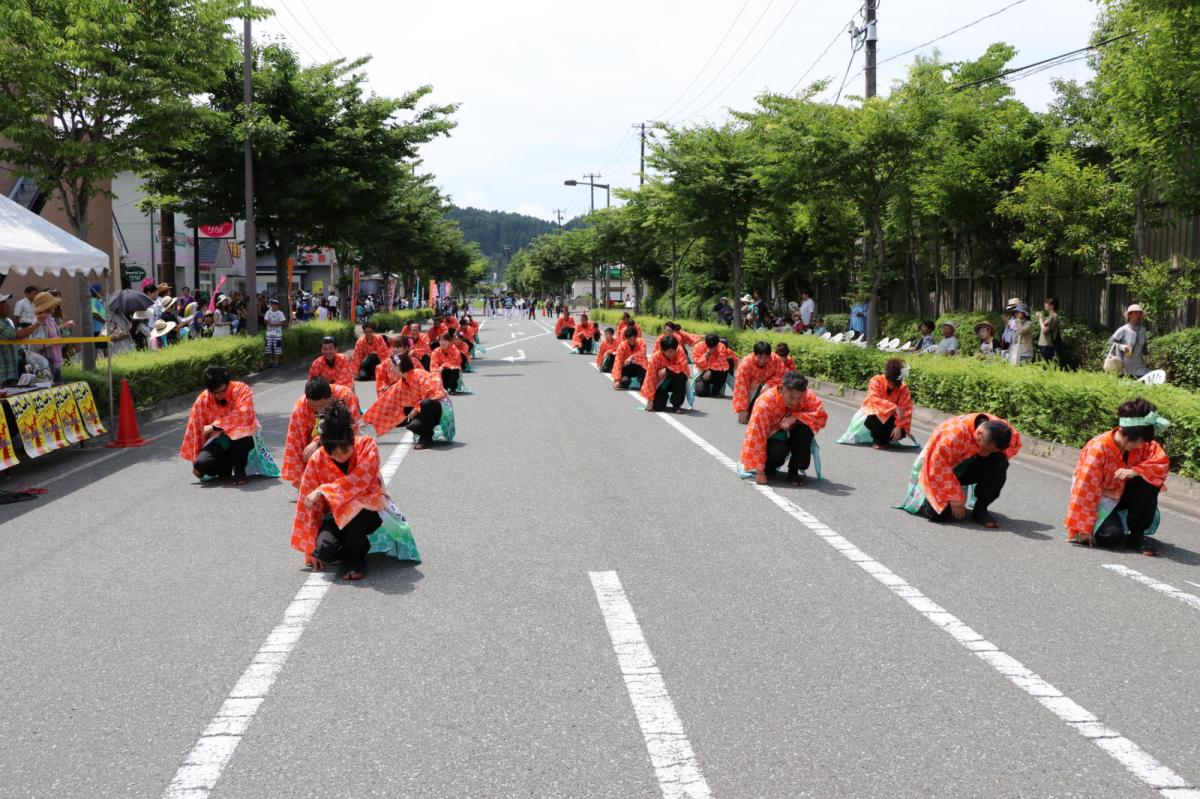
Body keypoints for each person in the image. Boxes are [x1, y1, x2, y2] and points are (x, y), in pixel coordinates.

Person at [290, 402, 385, 580]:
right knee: (324, 551)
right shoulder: (318, 459)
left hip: (366, 512)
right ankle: (349, 548)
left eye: (345, 449)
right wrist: (310, 550)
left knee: (354, 508)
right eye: (333, 451)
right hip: (334, 515)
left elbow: (359, 482)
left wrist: (323, 490)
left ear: (352, 439)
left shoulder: (367, 446)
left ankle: (357, 559)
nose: (340, 454)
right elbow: (308, 505)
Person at [1065, 398, 1169, 555]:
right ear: (1122, 431)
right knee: (1111, 536)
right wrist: (1084, 528)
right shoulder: (1098, 448)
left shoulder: (1143, 444)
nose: (1140, 445)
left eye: (1143, 441)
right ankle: (1103, 528)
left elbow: (1161, 462)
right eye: (1137, 441)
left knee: (1148, 481)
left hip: (1123, 493)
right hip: (1099, 497)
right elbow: (1085, 490)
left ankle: (1137, 536)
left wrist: (1136, 471)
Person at [899, 412, 1021, 529]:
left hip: (968, 465)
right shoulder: (951, 435)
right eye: (985, 448)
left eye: (990, 450)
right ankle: (931, 499)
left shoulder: (1003, 430)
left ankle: (980, 509)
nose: (986, 453)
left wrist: (983, 452)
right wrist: (955, 495)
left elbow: (1015, 445)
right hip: (941, 471)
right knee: (939, 515)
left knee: (999, 462)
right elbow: (936, 467)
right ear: (979, 434)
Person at [739, 372, 827, 486]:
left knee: (805, 432)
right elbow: (756, 436)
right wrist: (759, 472)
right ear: (781, 388)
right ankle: (769, 467)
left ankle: (794, 469)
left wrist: (796, 416)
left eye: (798, 398)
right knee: (777, 452)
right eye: (790, 397)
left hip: (795, 432)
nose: (794, 402)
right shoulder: (764, 403)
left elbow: (821, 416)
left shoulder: (807, 395)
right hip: (773, 437)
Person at [179, 365, 262, 485]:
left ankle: (239, 469)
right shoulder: (203, 400)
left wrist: (215, 426)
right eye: (215, 393)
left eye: (223, 391)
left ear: (228, 384)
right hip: (218, 440)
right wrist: (196, 462)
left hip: (242, 437)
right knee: (201, 464)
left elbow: (244, 415)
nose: (219, 395)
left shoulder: (241, 389)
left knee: (240, 435)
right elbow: (196, 429)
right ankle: (224, 466)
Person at [281, 377, 362, 488]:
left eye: (322, 405)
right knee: (308, 451)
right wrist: (301, 481)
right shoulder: (300, 406)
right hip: (315, 441)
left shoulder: (345, 395)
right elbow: (295, 441)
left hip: (340, 437)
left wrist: (318, 441)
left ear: (331, 397)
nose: (318, 409)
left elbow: (351, 427)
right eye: (313, 406)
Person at [363, 354, 449, 449]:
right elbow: (385, 401)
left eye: (392, 366)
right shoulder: (401, 383)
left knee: (426, 403)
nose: (390, 369)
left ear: (399, 366)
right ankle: (423, 431)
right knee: (414, 425)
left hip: (436, 409)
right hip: (423, 410)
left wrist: (416, 409)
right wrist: (366, 421)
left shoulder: (419, 374)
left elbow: (434, 394)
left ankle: (427, 438)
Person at [839, 358, 913, 449]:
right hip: (874, 417)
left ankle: (886, 440)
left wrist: (899, 426)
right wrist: (893, 407)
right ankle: (877, 440)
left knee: (901, 430)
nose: (893, 386)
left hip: (892, 420)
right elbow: (874, 398)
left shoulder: (903, 388)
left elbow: (906, 409)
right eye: (891, 382)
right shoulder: (876, 380)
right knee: (876, 414)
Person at [732, 341, 786, 424]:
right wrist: (742, 409)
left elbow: (782, 376)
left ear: (770, 355)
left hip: (769, 388)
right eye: (760, 357)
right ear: (754, 354)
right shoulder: (745, 364)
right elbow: (741, 387)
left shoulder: (776, 359)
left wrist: (768, 384)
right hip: (751, 390)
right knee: (750, 416)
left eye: (766, 358)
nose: (762, 361)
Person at [641, 334, 690, 413]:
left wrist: (667, 369)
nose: (672, 354)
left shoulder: (679, 350)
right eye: (669, 351)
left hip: (675, 381)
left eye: (674, 351)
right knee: (657, 407)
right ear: (663, 350)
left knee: (681, 375)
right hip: (662, 383)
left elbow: (684, 367)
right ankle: (663, 398)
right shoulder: (655, 357)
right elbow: (650, 378)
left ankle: (676, 405)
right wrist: (650, 399)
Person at [0, 293, 41, 385]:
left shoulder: (6, 321)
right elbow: (16, 335)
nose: (8, 306)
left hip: (11, 372)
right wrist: (36, 325)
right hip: (4, 374)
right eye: (3, 303)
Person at [1107, 304, 1150, 378]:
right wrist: (1123, 347)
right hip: (1124, 369)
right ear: (1129, 315)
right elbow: (1110, 342)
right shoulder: (1123, 329)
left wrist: (1147, 360)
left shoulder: (1143, 330)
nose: (1138, 315)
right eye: (1136, 313)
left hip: (1140, 368)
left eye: (1140, 313)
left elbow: (1144, 347)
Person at [692, 333, 735, 398]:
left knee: (724, 370)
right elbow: (698, 362)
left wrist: (710, 370)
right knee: (701, 392)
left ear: (717, 343)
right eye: (709, 346)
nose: (712, 348)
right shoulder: (698, 346)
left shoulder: (721, 347)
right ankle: (707, 388)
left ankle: (716, 390)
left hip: (716, 371)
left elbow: (720, 363)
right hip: (702, 370)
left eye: (714, 346)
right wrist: (707, 354)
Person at [611, 324, 648, 390]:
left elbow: (643, 353)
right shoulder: (622, 346)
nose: (632, 340)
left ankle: (641, 382)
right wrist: (617, 380)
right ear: (626, 338)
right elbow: (618, 362)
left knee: (644, 382)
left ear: (637, 337)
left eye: (634, 338)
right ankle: (628, 381)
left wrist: (632, 357)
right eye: (630, 339)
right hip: (627, 368)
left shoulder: (641, 342)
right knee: (625, 382)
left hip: (639, 367)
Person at [263, 298, 286, 368]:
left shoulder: (280, 313)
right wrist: (267, 322)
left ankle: (276, 362)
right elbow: (265, 321)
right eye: (272, 304)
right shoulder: (268, 312)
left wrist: (272, 324)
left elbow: (282, 323)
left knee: (277, 348)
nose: (273, 306)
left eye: (275, 305)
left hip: (278, 333)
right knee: (268, 347)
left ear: (277, 306)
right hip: (269, 333)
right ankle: (270, 361)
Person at [1037, 297, 1060, 363]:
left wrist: (1040, 319)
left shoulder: (1054, 316)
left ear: (1052, 306)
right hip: (1044, 344)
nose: (1045, 304)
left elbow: (1045, 330)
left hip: (1047, 345)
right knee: (1044, 365)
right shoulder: (1049, 316)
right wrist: (1042, 318)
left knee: (1046, 366)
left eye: (1047, 303)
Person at [90, 283, 108, 354]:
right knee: (96, 348)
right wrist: (104, 321)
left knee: (105, 346)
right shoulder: (92, 301)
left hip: (102, 328)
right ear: (96, 291)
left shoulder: (98, 301)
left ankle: (106, 362)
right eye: (100, 290)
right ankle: (95, 363)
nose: (101, 292)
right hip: (97, 329)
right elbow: (94, 314)